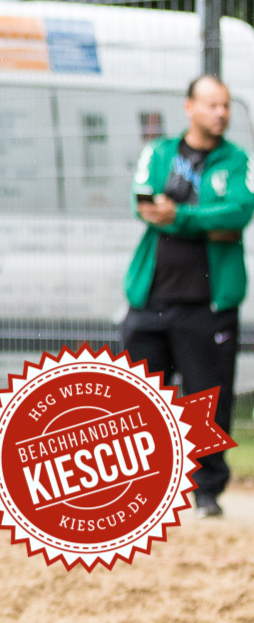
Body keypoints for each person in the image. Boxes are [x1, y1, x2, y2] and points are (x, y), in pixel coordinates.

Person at [123, 74, 252, 519]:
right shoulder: (158, 154)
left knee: (207, 402)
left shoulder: (236, 161)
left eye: (226, 106)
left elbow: (237, 213)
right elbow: (142, 205)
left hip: (207, 305)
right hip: (151, 299)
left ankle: (207, 496)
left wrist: (178, 215)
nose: (222, 114)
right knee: (139, 402)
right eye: (213, 105)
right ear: (189, 108)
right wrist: (200, 222)